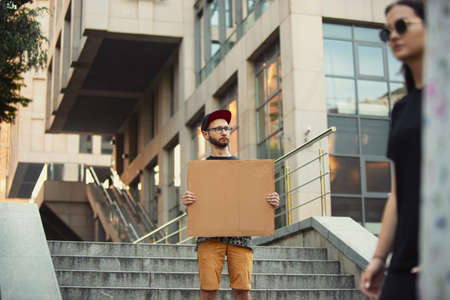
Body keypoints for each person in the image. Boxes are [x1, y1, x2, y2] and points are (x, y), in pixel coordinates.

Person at [359, 1, 425, 299]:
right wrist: (377, 258)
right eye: (387, 32)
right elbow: (398, 193)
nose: (394, 36)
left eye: (402, 25)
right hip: (403, 260)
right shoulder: (401, 109)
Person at [182, 109, 280, 300]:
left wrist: (270, 201)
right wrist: (188, 204)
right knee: (208, 290)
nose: (224, 132)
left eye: (227, 128)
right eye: (218, 128)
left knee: (243, 290)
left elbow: (254, 201)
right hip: (209, 237)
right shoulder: (199, 172)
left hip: (240, 236)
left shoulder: (245, 169)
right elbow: (197, 208)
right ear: (205, 134)